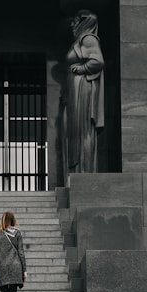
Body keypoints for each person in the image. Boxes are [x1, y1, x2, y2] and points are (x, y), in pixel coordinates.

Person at [61, 10, 105, 173]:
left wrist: (81, 69)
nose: (72, 25)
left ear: (83, 22)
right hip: (75, 88)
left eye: (75, 21)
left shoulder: (87, 38)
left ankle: (84, 171)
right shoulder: (80, 40)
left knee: (82, 130)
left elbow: (97, 61)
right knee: (73, 131)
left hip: (82, 88)